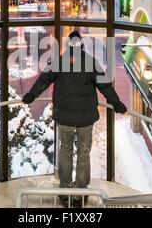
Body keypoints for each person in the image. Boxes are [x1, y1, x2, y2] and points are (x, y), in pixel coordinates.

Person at [22, 31, 127, 208]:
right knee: (83, 155)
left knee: (65, 152)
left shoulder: (58, 62)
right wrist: (116, 104)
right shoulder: (91, 63)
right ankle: (81, 193)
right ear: (82, 47)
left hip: (64, 119)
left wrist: (31, 95)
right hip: (86, 118)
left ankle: (65, 191)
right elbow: (105, 86)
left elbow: (43, 80)